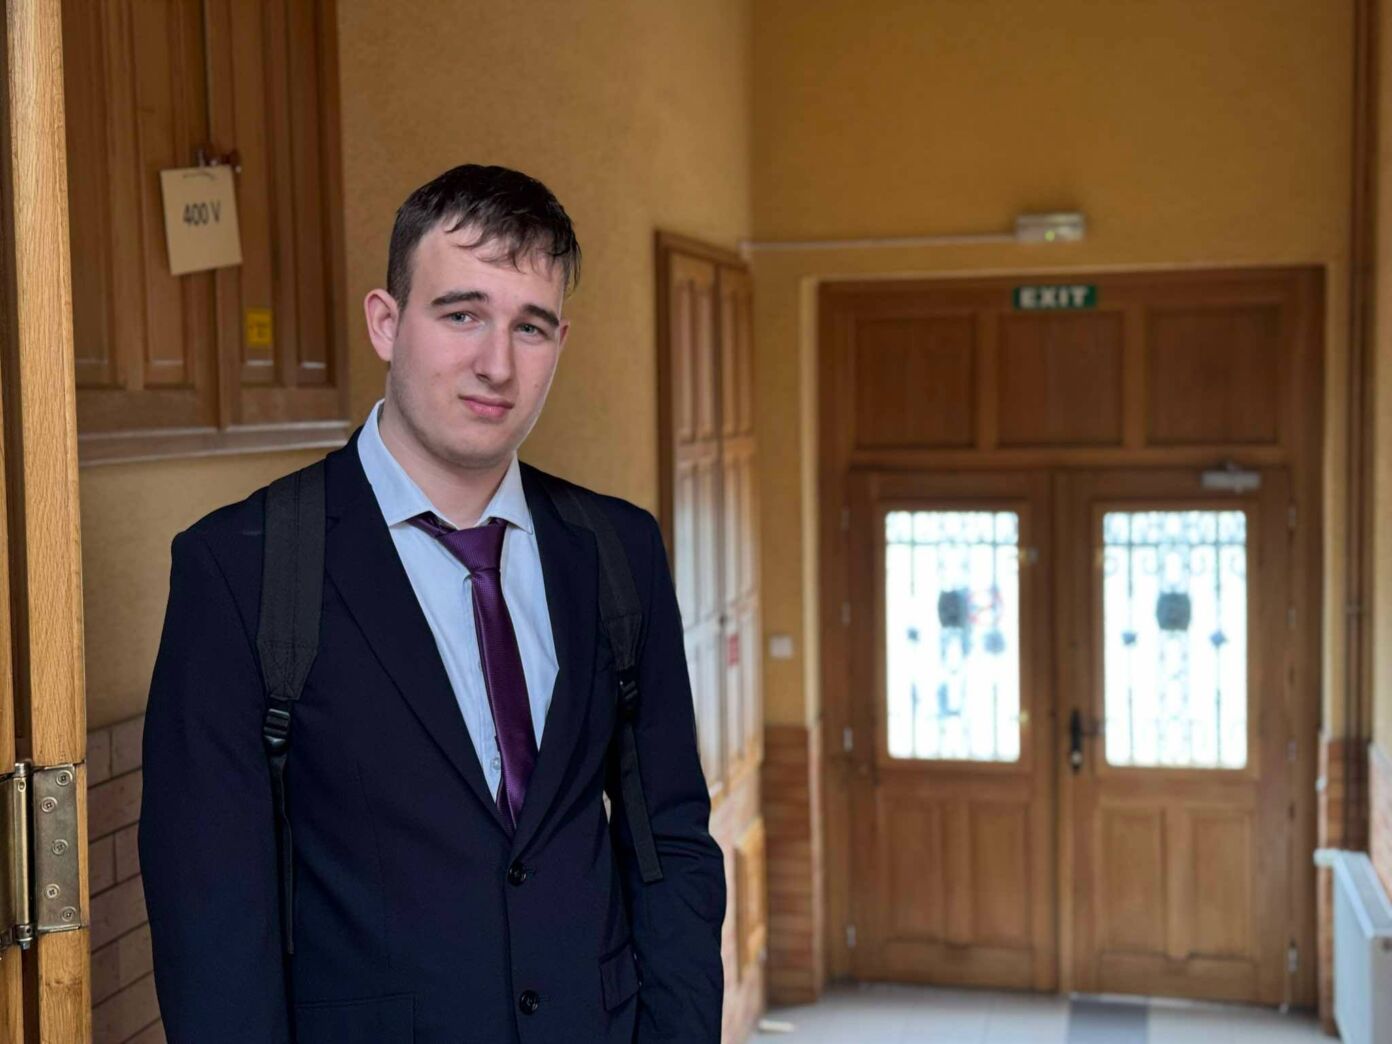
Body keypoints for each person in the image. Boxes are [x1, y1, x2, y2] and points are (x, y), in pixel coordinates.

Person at [139, 164, 726, 1044]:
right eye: (461, 314)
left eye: (530, 327)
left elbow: (669, 840)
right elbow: (211, 918)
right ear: (386, 322)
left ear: (560, 341)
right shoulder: (241, 567)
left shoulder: (618, 550)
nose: (497, 364)